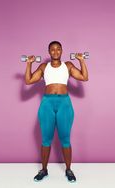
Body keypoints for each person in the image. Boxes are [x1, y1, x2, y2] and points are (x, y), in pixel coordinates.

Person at [24, 41, 88, 182]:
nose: (55, 52)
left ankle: (69, 170)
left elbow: (84, 77)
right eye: (52, 49)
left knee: (65, 139)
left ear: (62, 51)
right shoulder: (43, 66)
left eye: (58, 49)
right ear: (49, 51)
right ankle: (44, 170)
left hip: (64, 104)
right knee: (46, 139)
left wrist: (81, 61)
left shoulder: (68, 66)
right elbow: (28, 81)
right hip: (47, 104)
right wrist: (29, 63)